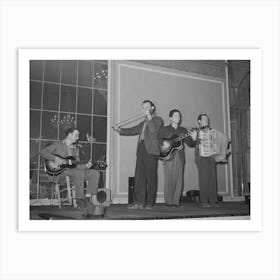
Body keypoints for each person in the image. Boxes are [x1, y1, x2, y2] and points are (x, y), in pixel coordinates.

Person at [113, 100, 163, 210]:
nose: (145, 109)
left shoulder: (158, 120)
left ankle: (150, 203)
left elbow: (154, 130)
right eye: (143, 107)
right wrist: (120, 130)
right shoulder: (142, 123)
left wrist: (149, 117)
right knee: (139, 177)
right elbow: (132, 130)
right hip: (141, 149)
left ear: (152, 108)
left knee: (151, 178)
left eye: (147, 107)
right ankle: (139, 202)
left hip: (151, 151)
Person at [40, 127, 100, 215]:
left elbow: (77, 166)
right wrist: (56, 158)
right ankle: (79, 199)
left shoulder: (75, 150)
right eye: (76, 135)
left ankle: (87, 198)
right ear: (70, 135)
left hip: (74, 172)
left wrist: (86, 166)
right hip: (60, 172)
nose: (78, 137)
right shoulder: (57, 145)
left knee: (95, 173)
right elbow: (43, 152)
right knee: (78, 173)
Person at [158, 109, 196, 207]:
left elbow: (189, 143)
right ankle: (168, 202)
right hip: (168, 156)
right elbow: (157, 139)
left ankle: (176, 202)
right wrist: (163, 143)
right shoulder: (164, 129)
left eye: (179, 116)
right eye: (175, 116)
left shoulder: (183, 130)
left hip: (180, 156)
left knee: (179, 180)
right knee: (169, 180)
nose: (178, 118)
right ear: (170, 118)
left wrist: (194, 138)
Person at [190, 114, 220, 207]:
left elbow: (217, 143)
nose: (206, 120)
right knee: (204, 178)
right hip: (201, 157)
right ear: (199, 121)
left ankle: (212, 200)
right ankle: (204, 201)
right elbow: (190, 142)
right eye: (204, 119)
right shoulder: (195, 130)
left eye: (207, 119)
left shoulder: (212, 131)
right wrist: (195, 138)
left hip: (211, 157)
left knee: (212, 178)